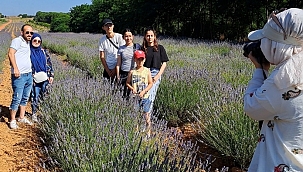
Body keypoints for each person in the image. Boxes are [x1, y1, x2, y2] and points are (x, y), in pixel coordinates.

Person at [244, 8, 303, 172]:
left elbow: (252, 106)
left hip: (280, 163)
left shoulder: (283, 82)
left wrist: (259, 70)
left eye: (265, 40)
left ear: (276, 45)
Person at [8, 24, 34, 129]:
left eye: (31, 33)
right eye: (27, 32)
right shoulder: (17, 41)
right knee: (17, 98)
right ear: (22, 32)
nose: (29, 34)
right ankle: (12, 120)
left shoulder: (28, 42)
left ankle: (21, 117)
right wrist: (15, 68)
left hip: (28, 74)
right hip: (19, 75)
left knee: (25, 98)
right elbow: (10, 53)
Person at [126, 50, 153, 137]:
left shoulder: (147, 70)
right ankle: (136, 133)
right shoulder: (132, 72)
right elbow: (127, 83)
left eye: (141, 59)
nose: (140, 61)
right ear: (135, 60)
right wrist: (132, 88)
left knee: (146, 116)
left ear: (144, 60)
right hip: (135, 97)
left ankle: (148, 134)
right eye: (138, 59)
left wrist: (144, 91)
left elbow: (151, 83)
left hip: (145, 97)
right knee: (135, 116)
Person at [142, 27, 169, 114]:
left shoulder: (160, 48)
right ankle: (145, 118)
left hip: (155, 73)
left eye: (151, 35)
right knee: (144, 96)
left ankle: (148, 121)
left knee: (151, 96)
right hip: (145, 74)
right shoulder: (143, 49)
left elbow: (164, 63)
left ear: (154, 37)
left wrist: (158, 76)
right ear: (145, 37)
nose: (149, 37)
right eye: (148, 36)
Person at [30, 33, 54, 122]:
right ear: (31, 41)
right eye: (35, 40)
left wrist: (51, 75)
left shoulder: (43, 52)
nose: (37, 42)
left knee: (45, 95)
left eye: (39, 41)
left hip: (45, 77)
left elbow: (49, 64)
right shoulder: (28, 52)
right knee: (35, 96)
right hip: (34, 78)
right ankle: (34, 113)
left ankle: (45, 113)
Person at [116, 28, 141, 99]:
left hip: (135, 73)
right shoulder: (121, 48)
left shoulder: (137, 47)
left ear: (133, 37)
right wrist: (118, 76)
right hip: (124, 74)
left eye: (130, 36)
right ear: (123, 37)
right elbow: (118, 63)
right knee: (124, 94)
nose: (128, 38)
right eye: (126, 36)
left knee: (135, 94)